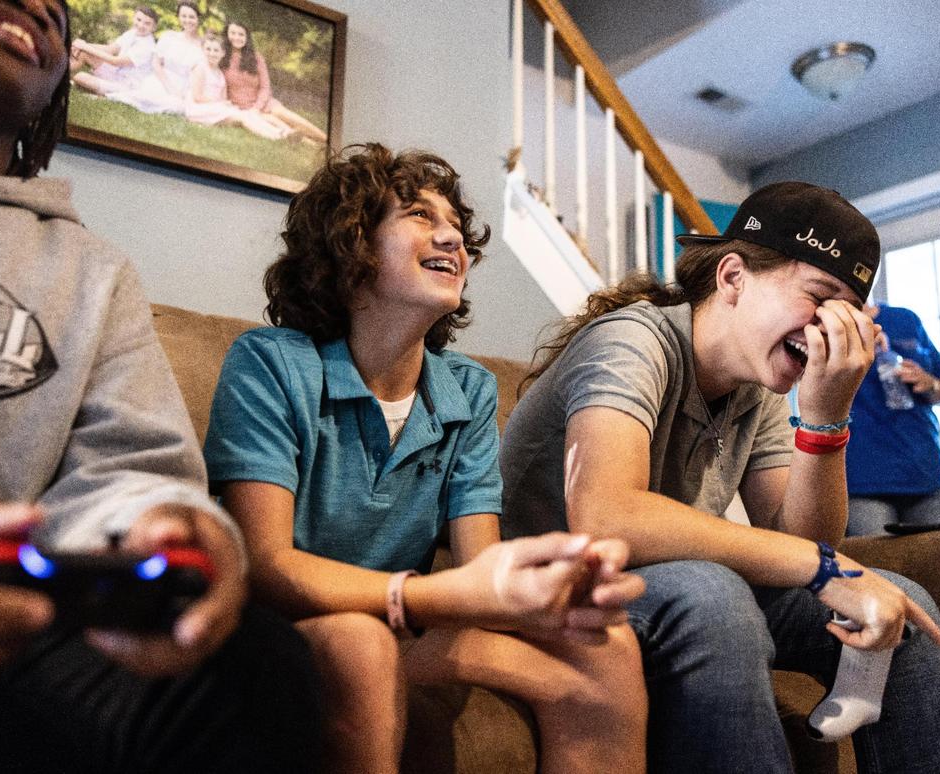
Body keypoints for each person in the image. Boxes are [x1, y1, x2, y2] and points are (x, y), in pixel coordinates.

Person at [0, 0, 320, 771]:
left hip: (7, 624)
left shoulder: (90, 270)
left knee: (257, 663)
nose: (39, 6)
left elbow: (129, 470)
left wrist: (159, 524)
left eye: (59, 10)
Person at [204, 144, 648, 774]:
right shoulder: (269, 363)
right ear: (350, 248)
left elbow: (481, 570)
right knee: (361, 644)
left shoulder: (468, 389)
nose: (452, 237)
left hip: (405, 627)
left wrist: (547, 581)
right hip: (278, 631)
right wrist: (423, 599)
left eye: (458, 229)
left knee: (607, 644)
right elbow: (268, 567)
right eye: (418, 215)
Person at [500, 181, 940, 772]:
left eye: (847, 309)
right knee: (713, 593)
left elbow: (803, 538)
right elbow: (606, 513)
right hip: (555, 586)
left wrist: (824, 417)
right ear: (731, 278)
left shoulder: (757, 379)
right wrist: (824, 570)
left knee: (908, 610)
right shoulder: (632, 339)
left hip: (664, 585)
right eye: (819, 296)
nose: (830, 327)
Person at [844, 303, 940, 535]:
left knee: (932, 567)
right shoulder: (827, 328)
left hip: (926, 475)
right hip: (864, 482)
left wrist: (929, 382)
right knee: (878, 570)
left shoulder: (906, 318)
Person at [219, 19, 328, 144]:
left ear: (246, 37)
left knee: (286, 116)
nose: (237, 37)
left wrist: (257, 107)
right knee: (278, 124)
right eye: (233, 33)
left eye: (241, 34)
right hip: (243, 109)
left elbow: (265, 87)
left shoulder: (256, 57)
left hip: (265, 103)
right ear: (226, 35)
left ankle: (327, 139)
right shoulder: (221, 59)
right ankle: (312, 145)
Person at [185, 32, 291, 140]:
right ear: (202, 50)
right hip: (199, 109)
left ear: (222, 53)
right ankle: (276, 136)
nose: (212, 53)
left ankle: (283, 133)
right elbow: (197, 97)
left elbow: (223, 97)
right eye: (208, 49)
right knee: (243, 117)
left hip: (214, 107)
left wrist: (225, 104)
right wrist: (221, 104)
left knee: (248, 114)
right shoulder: (200, 68)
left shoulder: (220, 73)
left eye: (216, 50)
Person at [109, 0, 203, 114]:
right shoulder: (169, 36)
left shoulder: (203, 46)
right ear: (178, 17)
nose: (187, 20)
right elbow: (156, 63)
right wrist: (169, 86)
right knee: (147, 96)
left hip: (184, 84)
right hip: (161, 78)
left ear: (198, 18)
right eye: (184, 16)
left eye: (191, 17)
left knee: (177, 106)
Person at [69, 6, 158, 96]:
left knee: (80, 77)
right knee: (83, 53)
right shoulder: (132, 33)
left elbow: (115, 61)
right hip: (115, 73)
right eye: (139, 20)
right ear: (134, 18)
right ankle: (60, 75)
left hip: (127, 86)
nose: (141, 25)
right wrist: (82, 45)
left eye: (147, 23)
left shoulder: (147, 46)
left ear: (154, 28)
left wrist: (85, 46)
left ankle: (101, 92)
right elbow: (109, 49)